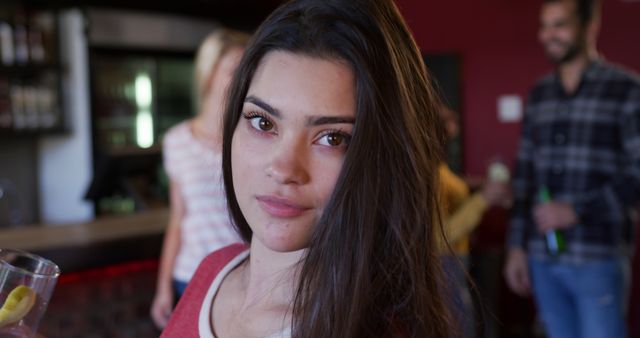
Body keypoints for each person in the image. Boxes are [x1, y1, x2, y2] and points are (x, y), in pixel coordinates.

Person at [160, 0, 458, 337]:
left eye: (332, 138)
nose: (284, 169)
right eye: (262, 122)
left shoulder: (375, 329)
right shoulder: (212, 271)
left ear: (382, 159)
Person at [503, 1, 640, 337]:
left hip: (597, 256)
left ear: (590, 25)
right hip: (541, 257)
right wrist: (516, 246)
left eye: (559, 24)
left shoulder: (627, 90)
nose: (548, 35)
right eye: (545, 26)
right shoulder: (539, 95)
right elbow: (525, 176)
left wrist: (576, 209)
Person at [150, 28, 249, 329]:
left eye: (247, 70)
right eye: (234, 70)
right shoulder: (176, 141)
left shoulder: (250, 137)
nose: (242, 79)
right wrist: (163, 286)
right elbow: (178, 218)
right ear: (209, 74)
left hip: (242, 275)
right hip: (190, 274)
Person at [437, 105, 511, 338]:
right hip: (442, 263)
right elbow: (440, 236)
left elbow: (449, 189)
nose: (453, 140)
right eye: (448, 133)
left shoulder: (438, 167)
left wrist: (478, 185)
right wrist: (483, 198)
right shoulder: (423, 173)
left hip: (456, 261)